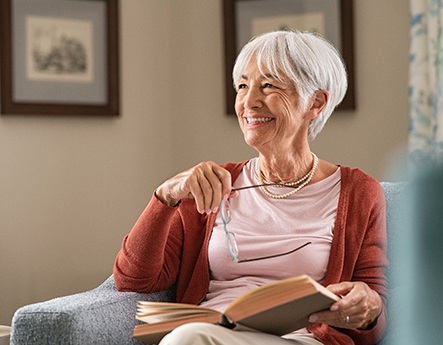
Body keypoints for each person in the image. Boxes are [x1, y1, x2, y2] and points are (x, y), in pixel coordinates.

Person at [113, 30, 388, 345]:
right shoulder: (211, 185)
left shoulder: (358, 192)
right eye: (243, 86)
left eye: (268, 86)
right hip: (212, 332)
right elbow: (133, 279)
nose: (248, 102)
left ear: (316, 102)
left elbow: (374, 312)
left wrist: (370, 306)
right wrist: (165, 198)